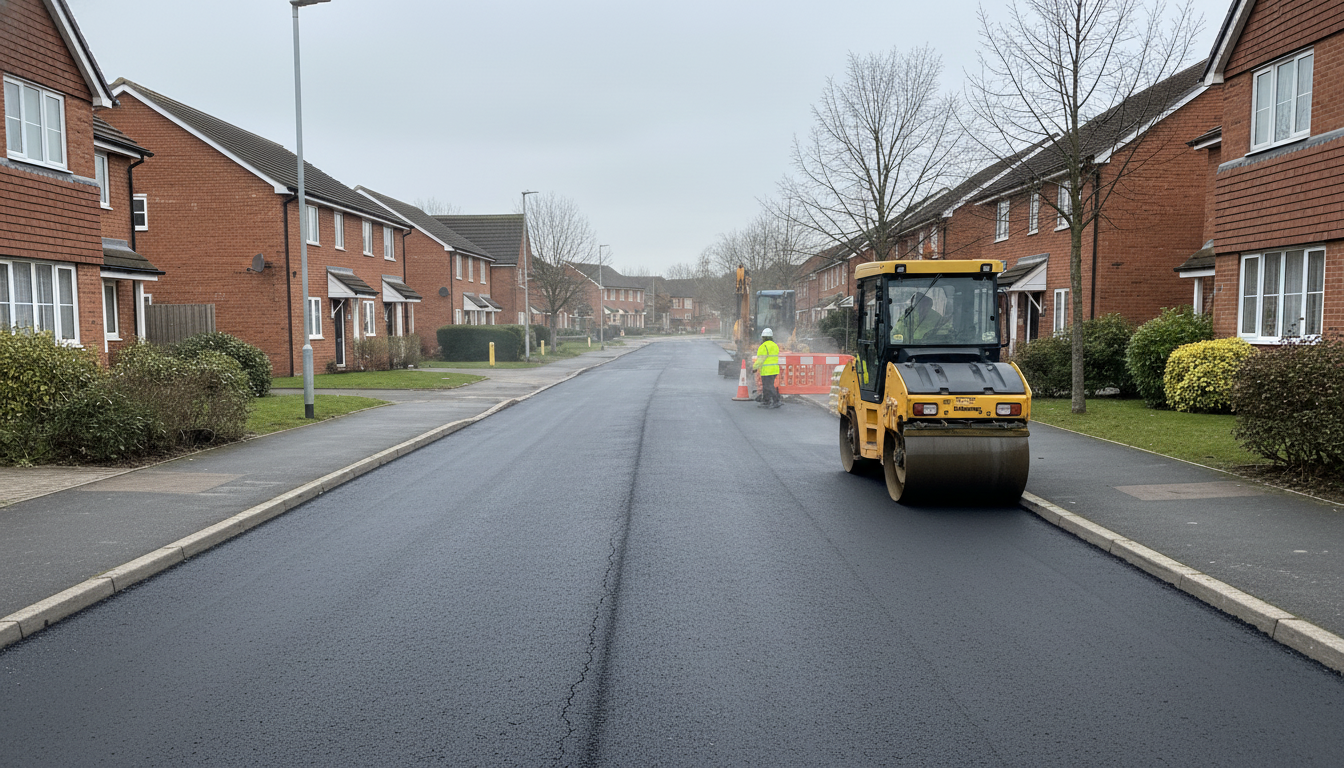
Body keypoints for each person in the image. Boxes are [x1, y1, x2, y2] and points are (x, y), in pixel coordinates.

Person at [753, 327, 782, 408]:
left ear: (763, 337)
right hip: (775, 369)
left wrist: (754, 367)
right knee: (767, 386)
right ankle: (766, 401)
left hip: (767, 370)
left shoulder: (763, 346)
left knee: (768, 386)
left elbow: (760, 359)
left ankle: (776, 401)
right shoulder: (775, 345)